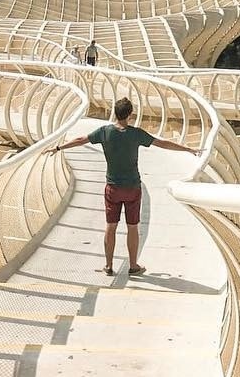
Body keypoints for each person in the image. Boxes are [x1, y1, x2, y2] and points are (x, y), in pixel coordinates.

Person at [49, 97, 197, 276]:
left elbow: (81, 139)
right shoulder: (136, 134)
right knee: (132, 227)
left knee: (110, 226)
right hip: (133, 187)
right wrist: (187, 149)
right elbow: (162, 143)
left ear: (115, 112)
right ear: (130, 114)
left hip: (113, 188)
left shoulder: (104, 132)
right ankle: (133, 266)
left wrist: (58, 148)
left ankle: (108, 266)